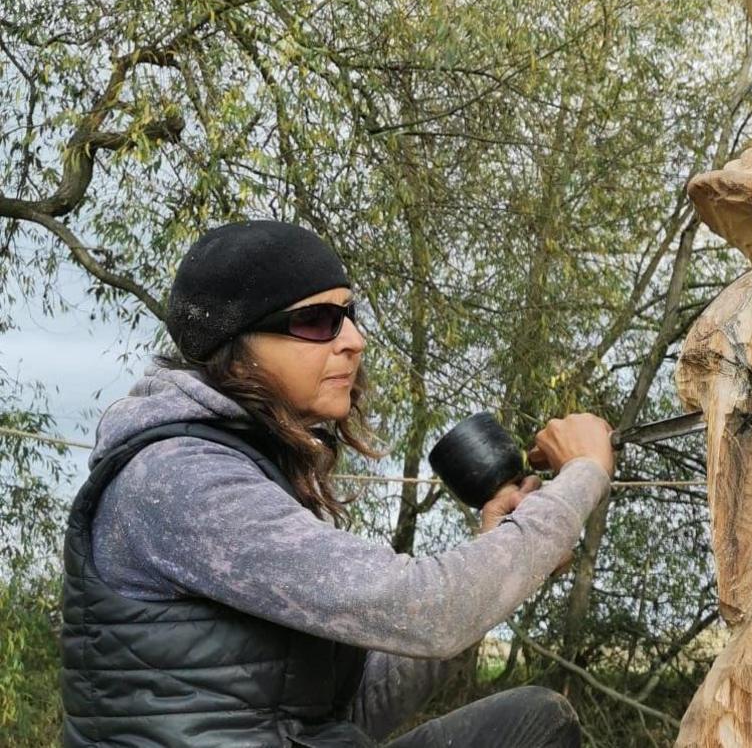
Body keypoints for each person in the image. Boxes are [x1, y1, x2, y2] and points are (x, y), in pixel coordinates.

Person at [59, 220, 615, 747]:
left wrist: (506, 543)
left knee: (530, 724)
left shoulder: (247, 466)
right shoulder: (180, 478)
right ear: (237, 343)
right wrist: (584, 473)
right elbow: (431, 610)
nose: (354, 340)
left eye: (349, 314)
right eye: (317, 320)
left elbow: (347, 711)